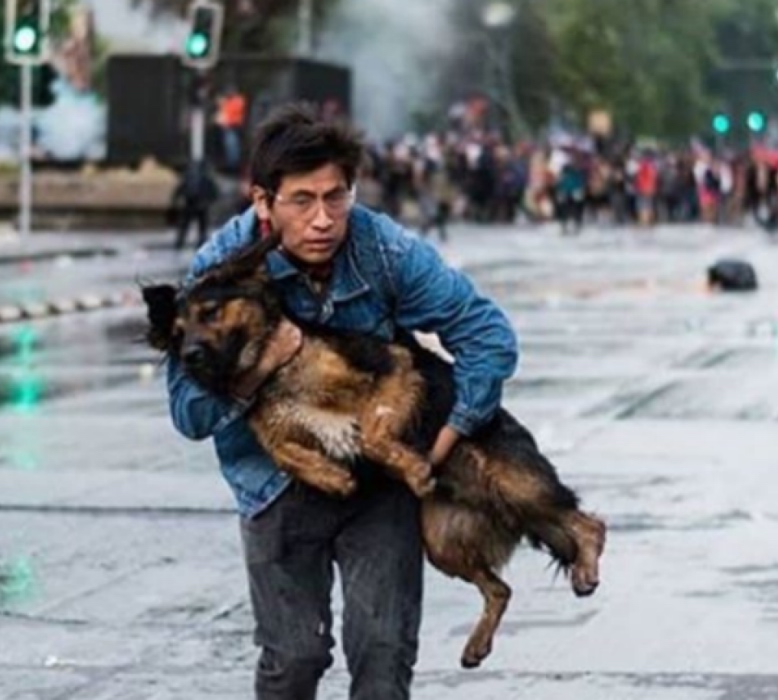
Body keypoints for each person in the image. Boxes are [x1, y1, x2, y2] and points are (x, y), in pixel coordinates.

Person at [165, 103, 518, 700]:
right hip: (273, 481)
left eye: (338, 197)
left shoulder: (382, 248)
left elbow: (487, 333)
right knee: (295, 659)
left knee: (383, 654)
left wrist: (450, 433)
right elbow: (189, 414)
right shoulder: (215, 275)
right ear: (262, 202)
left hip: (378, 478)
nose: (324, 219)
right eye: (302, 200)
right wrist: (262, 369)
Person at [171, 159, 220, 250]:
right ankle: (194, 242)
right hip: (197, 204)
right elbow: (215, 192)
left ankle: (182, 242)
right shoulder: (205, 178)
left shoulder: (192, 177)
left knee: (190, 225)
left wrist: (176, 200)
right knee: (198, 226)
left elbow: (179, 189)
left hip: (194, 204)